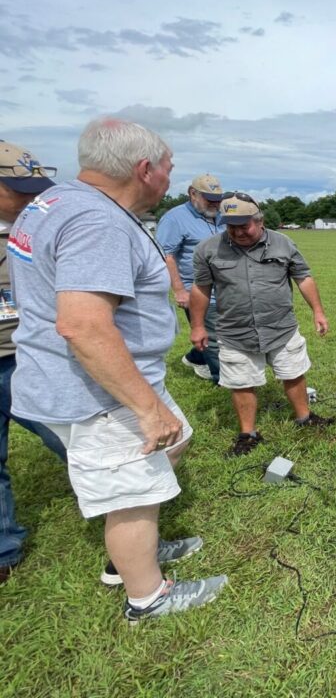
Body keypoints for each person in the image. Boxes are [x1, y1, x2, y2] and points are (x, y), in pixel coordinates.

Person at [9, 118, 226, 620]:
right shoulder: (97, 222)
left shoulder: (56, 202)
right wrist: (145, 409)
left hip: (103, 379)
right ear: (144, 169)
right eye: (169, 170)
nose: (170, 181)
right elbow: (83, 326)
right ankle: (147, 596)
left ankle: (134, 556)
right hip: (98, 390)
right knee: (132, 490)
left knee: (175, 442)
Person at [191, 193, 333, 456]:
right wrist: (198, 326)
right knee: (241, 382)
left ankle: (304, 417)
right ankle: (248, 434)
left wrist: (318, 312)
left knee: (293, 372)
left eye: (244, 226)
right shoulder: (208, 249)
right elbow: (201, 288)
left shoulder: (283, 244)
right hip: (235, 331)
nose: (237, 232)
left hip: (281, 327)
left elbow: (303, 277)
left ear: (260, 221)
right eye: (231, 227)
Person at [0, 141, 68, 585]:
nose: (31, 197)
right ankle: (5, 550)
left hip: (27, 353)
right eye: (19, 188)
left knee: (73, 435)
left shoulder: (35, 225)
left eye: (35, 186)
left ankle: (124, 508)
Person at [156, 173, 224, 382]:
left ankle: (196, 357)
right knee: (215, 340)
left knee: (229, 332)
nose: (214, 204)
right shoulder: (174, 218)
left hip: (227, 289)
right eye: (209, 199)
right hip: (198, 291)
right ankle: (224, 380)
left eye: (217, 200)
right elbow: (165, 255)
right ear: (192, 194)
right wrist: (179, 290)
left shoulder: (221, 214)